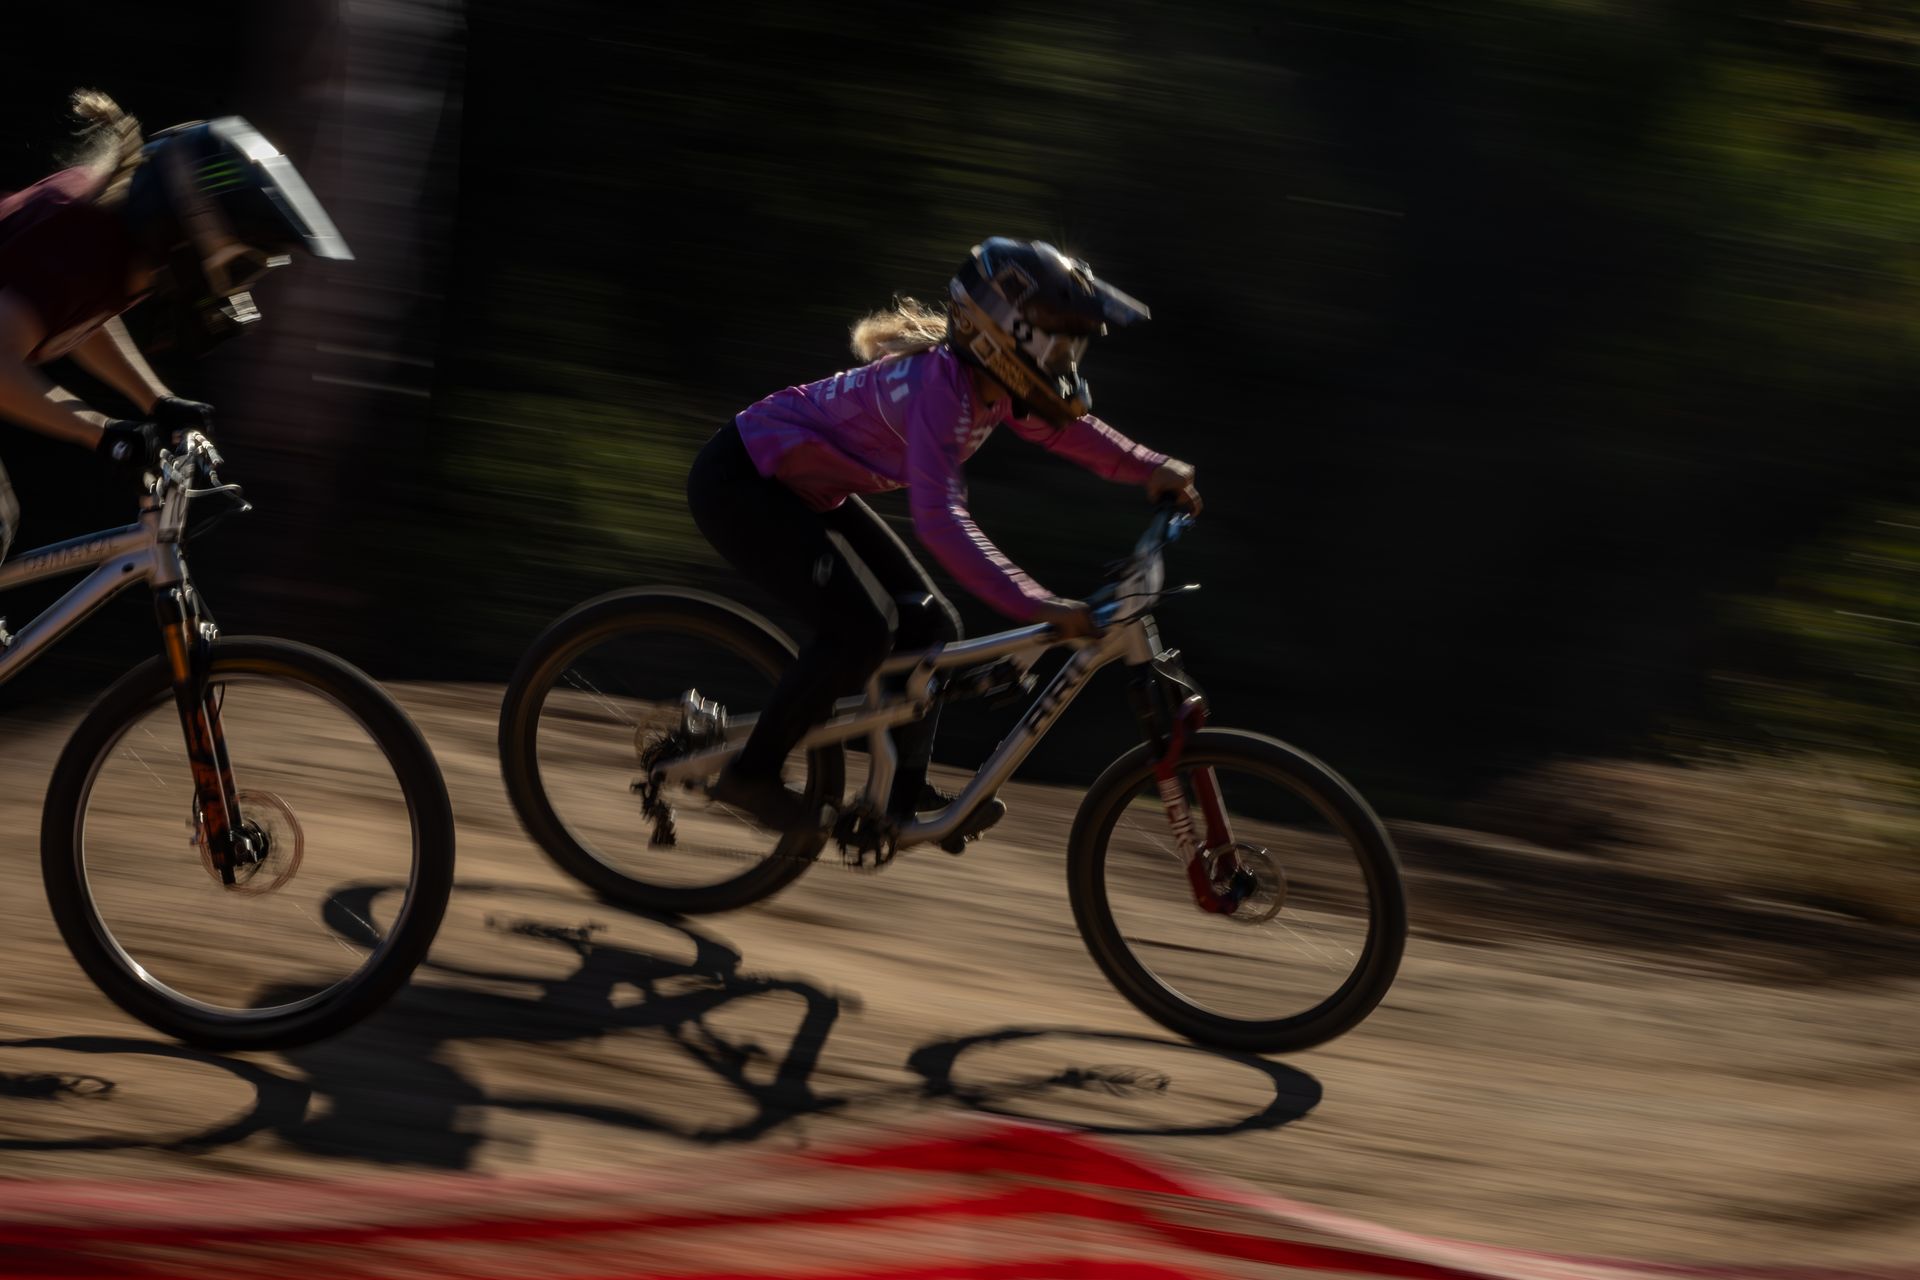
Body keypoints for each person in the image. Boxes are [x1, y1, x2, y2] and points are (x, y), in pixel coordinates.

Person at [686, 236, 1202, 841]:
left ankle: (900, 801)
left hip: (800, 489)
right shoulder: (942, 391)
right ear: (1004, 335)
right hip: (743, 480)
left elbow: (1067, 434)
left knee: (929, 629)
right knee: (859, 633)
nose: (1068, 357)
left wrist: (1152, 466)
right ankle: (752, 774)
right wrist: (1032, 600)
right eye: (1058, 340)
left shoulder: (993, 386)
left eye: (1074, 343)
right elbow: (939, 519)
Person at [0, 89, 351, 565]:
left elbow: (76, 317)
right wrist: (103, 433)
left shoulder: (110, 240)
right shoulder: (82, 240)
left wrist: (157, 402)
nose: (238, 287)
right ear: (192, 227)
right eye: (242, 266)